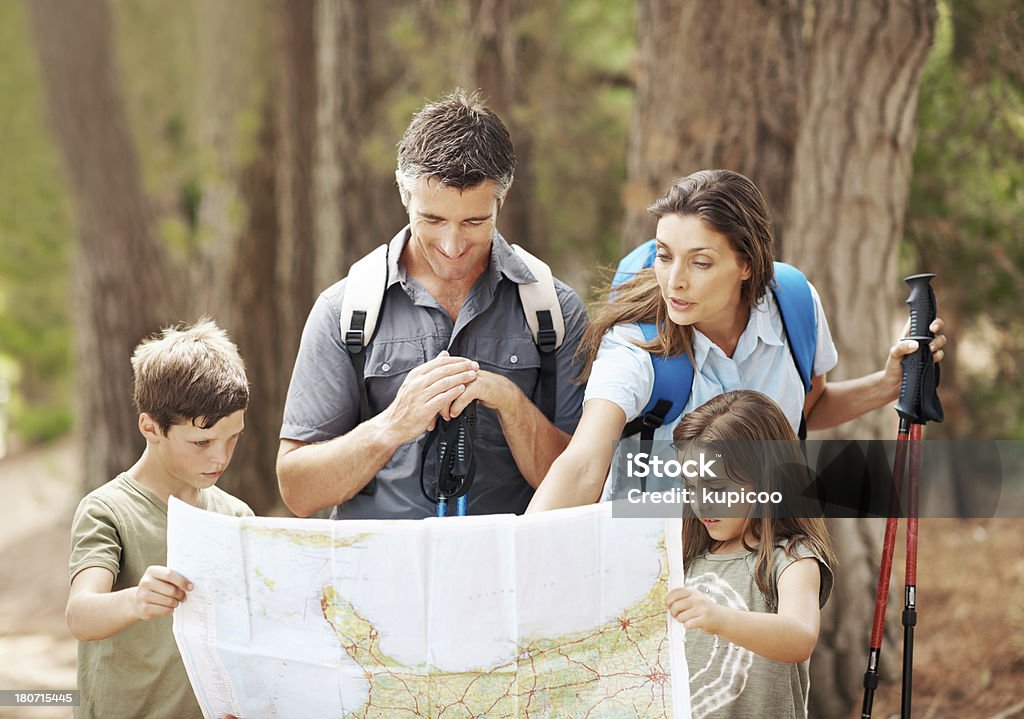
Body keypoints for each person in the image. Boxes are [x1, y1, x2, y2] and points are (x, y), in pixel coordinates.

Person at [527, 169, 946, 510]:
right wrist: (511, 568)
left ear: (746, 264)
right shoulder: (635, 343)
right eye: (664, 255)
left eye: (701, 262)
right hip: (659, 574)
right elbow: (583, 465)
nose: (675, 282)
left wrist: (888, 385)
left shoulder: (795, 306)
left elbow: (807, 409)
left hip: (762, 566)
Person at [277, 90, 588, 520]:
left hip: (510, 577)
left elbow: (588, 485)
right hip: (377, 577)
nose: (452, 245)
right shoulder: (342, 310)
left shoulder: (556, 310)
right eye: (433, 219)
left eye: (474, 222)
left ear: (503, 195)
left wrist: (511, 403)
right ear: (405, 195)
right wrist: (391, 426)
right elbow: (297, 491)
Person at [66, 319, 252, 719]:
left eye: (232, 438)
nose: (220, 457)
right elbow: (80, 615)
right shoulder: (108, 510)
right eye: (201, 442)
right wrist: (137, 600)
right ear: (151, 427)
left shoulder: (236, 516)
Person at [667, 390, 836, 718]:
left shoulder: (793, 558)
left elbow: (800, 637)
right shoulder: (686, 553)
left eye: (716, 489)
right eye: (691, 487)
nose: (701, 504)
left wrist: (721, 619)